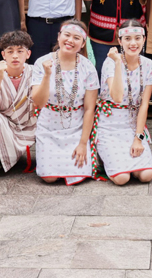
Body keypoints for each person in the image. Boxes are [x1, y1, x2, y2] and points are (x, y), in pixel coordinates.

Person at [31, 21, 100, 184]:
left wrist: (83, 143)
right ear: (59, 36)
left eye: (76, 38)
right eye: (67, 35)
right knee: (49, 177)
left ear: (83, 43)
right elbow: (38, 102)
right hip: (49, 127)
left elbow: (90, 109)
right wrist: (47, 75)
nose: (70, 40)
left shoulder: (88, 67)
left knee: (79, 175)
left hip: (76, 129)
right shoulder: (42, 62)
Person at [95, 24, 152, 184]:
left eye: (137, 38)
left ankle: (134, 148)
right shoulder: (110, 62)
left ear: (144, 39)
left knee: (146, 175)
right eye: (127, 39)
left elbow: (144, 105)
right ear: (119, 41)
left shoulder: (149, 65)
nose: (133, 43)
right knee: (122, 178)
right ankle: (102, 153)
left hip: (134, 126)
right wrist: (117, 63)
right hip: (109, 126)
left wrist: (138, 138)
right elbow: (116, 96)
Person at [0, 30, 38, 172]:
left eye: (20, 51)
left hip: (28, 120)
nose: (15, 56)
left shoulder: (35, 72)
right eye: (10, 51)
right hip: (3, 121)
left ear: (28, 54)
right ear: (3, 55)